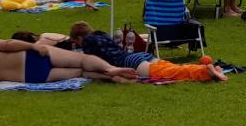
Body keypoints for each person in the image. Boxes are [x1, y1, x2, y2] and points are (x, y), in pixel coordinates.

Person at [56, 22, 227, 82]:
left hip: (131, 63)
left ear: (79, 38)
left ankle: (206, 71)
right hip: (139, 56)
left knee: (171, 73)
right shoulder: (101, 35)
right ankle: (206, 69)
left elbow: (90, 64)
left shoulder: (88, 44)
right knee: (171, 67)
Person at [0, 36, 138, 84]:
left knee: (81, 72)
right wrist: (32, 46)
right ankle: (111, 68)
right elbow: (8, 44)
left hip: (32, 77)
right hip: (31, 57)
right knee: (83, 59)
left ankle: (108, 77)